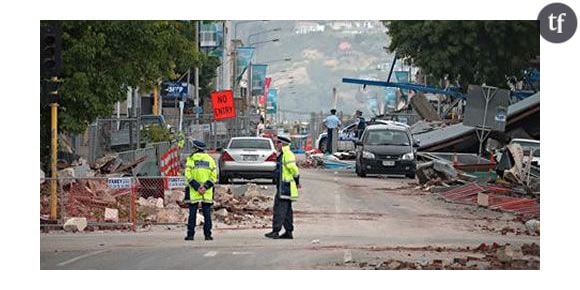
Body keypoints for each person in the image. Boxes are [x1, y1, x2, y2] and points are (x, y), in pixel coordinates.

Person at [265, 136, 301, 239]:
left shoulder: (287, 154)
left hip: (285, 187)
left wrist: (297, 180)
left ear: (282, 144)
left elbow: (294, 169)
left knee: (279, 209)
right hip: (283, 186)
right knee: (287, 210)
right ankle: (288, 232)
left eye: (277, 143)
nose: (276, 145)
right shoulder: (282, 155)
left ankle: (276, 231)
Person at [183, 139, 217, 241]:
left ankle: (190, 235)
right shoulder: (210, 160)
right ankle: (208, 235)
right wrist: (205, 187)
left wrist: (197, 186)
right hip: (207, 190)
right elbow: (214, 176)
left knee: (192, 213)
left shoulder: (191, 159)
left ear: (196, 149)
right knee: (207, 213)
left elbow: (188, 175)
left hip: (194, 190)